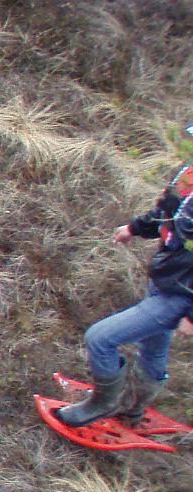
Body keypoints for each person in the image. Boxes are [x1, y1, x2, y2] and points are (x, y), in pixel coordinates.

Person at [55, 120, 193, 427]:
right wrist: (134, 228)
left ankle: (104, 404)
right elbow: (166, 210)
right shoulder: (188, 173)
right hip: (168, 275)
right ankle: (132, 409)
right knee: (154, 346)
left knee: (100, 339)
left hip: (181, 294)